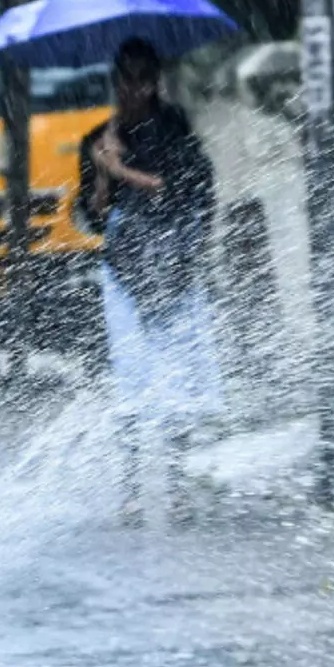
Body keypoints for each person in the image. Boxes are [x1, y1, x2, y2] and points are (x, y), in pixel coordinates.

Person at [74, 37, 224, 527]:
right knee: (132, 378)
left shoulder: (174, 126)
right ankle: (133, 485)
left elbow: (179, 187)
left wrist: (124, 172)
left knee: (177, 377)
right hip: (125, 271)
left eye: (142, 78)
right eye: (125, 79)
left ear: (154, 82)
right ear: (116, 82)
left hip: (175, 267)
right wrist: (101, 174)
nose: (134, 89)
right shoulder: (98, 138)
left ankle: (177, 484)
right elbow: (93, 218)